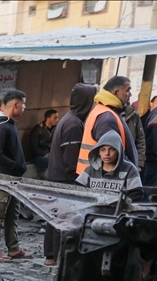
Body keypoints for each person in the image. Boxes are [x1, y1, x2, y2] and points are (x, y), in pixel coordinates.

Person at [45, 83, 97, 266]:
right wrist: (75, 182)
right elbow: (70, 160)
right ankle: (59, 258)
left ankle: (51, 256)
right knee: (63, 220)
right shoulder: (74, 124)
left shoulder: (69, 119)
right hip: (63, 179)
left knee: (54, 217)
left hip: (57, 176)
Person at [0, 89, 31, 262]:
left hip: (13, 179)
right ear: (15, 105)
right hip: (3, 178)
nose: (25, 108)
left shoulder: (10, 124)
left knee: (12, 215)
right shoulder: (2, 126)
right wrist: (15, 166)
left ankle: (13, 248)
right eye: (23, 104)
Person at [77, 76, 139, 175]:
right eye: (127, 90)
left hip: (93, 176)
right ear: (116, 92)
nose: (130, 94)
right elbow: (109, 157)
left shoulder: (101, 110)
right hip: (104, 178)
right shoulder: (108, 118)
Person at [76, 130, 144, 201]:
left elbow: (137, 193)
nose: (107, 153)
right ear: (98, 152)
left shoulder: (129, 169)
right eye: (103, 150)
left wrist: (121, 202)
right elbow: (76, 188)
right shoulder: (91, 169)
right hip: (94, 206)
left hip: (118, 207)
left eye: (111, 149)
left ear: (118, 151)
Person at [29, 109, 58, 179]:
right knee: (53, 163)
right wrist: (45, 154)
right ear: (48, 118)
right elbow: (33, 148)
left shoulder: (55, 128)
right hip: (38, 156)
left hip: (51, 154)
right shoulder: (37, 130)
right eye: (55, 118)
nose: (57, 120)